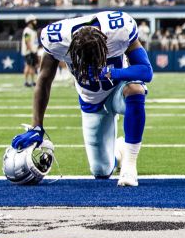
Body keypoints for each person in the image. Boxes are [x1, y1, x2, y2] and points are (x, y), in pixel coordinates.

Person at [10, 11, 153, 186]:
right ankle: (119, 151)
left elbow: (146, 71)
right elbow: (44, 80)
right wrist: (37, 126)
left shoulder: (120, 28)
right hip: (91, 102)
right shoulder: (56, 39)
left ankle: (130, 166)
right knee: (101, 171)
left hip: (118, 90)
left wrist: (111, 72)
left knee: (136, 89)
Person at [21, 16, 40, 88]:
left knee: (31, 66)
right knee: (29, 66)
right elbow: (27, 41)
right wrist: (31, 50)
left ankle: (32, 81)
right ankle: (27, 81)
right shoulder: (27, 30)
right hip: (29, 51)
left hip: (32, 50)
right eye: (34, 20)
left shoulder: (32, 31)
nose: (35, 22)